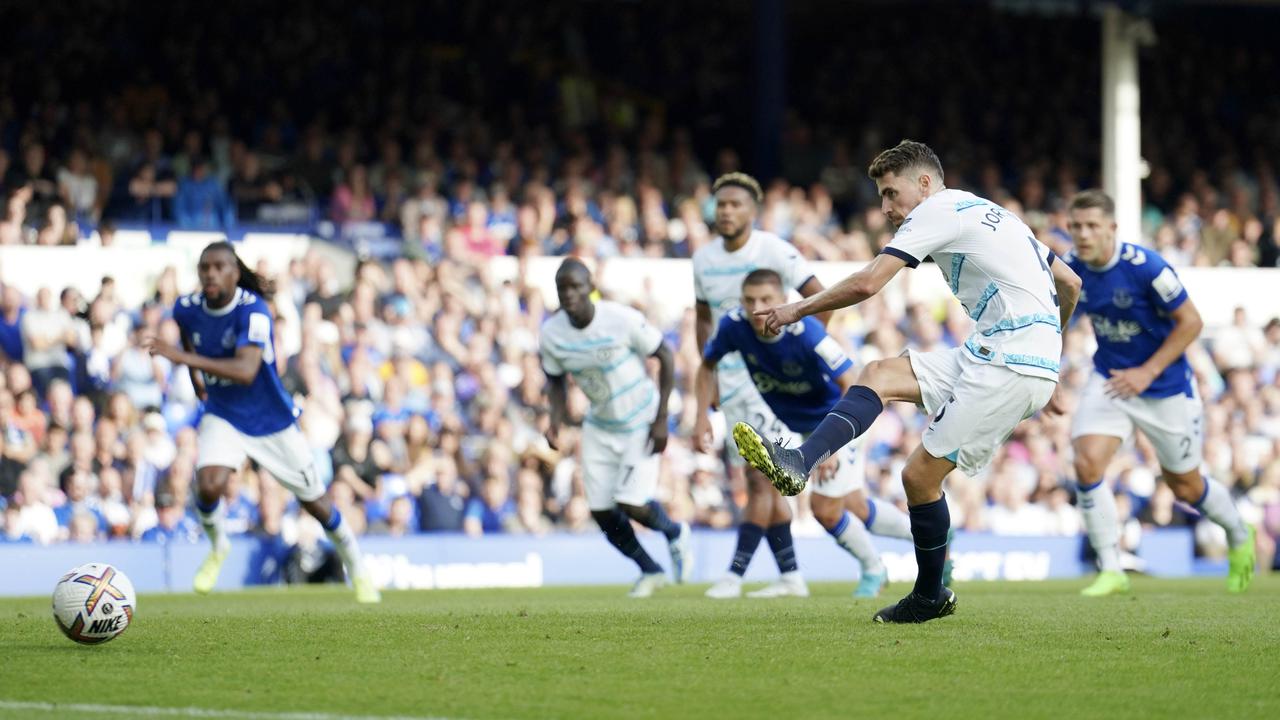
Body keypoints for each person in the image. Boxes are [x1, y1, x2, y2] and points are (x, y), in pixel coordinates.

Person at [734, 140, 1082, 623]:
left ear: (924, 183)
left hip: (1008, 359)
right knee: (879, 373)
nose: (885, 208)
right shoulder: (994, 214)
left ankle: (929, 594)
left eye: (890, 193)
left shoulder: (935, 210)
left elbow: (868, 283)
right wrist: (1051, 357)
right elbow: (1069, 283)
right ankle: (798, 461)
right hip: (1003, 353)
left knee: (918, 477)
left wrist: (796, 309)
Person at [145, 241, 379, 603]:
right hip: (223, 414)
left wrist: (176, 356)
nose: (210, 274)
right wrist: (196, 382)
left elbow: (246, 369)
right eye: (205, 268)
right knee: (208, 485)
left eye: (219, 267)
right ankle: (219, 546)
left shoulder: (253, 311)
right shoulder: (186, 308)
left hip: (271, 420)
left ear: (235, 273)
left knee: (316, 504)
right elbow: (193, 347)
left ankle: (357, 566)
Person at [1050, 189, 1254, 595]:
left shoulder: (1147, 268)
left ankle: (1237, 531)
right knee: (1087, 463)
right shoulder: (1072, 270)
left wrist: (1147, 371)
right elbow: (1060, 319)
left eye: (1092, 226)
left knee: (1185, 486)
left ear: (1112, 228)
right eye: (1076, 227)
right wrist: (1048, 371)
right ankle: (1111, 567)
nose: (1083, 234)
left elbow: (1191, 323)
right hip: (1110, 379)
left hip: (1164, 387)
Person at [695, 270, 914, 597]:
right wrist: (700, 415)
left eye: (766, 300)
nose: (757, 308)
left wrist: (832, 443)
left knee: (824, 509)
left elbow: (852, 382)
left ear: (782, 300)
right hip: (793, 425)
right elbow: (707, 364)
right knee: (855, 505)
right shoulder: (733, 326)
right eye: (750, 300)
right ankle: (928, 533)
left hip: (839, 420)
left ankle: (874, 568)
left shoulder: (807, 332)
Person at [693, 172, 829, 600]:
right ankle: (790, 575)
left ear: (752, 211)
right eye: (721, 205)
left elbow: (820, 297)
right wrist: (709, 374)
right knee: (759, 480)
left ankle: (735, 574)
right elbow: (702, 318)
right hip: (731, 383)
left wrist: (796, 355)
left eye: (736, 204)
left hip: (769, 383)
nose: (727, 211)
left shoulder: (773, 250)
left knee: (761, 480)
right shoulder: (702, 259)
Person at [539, 258, 691, 598]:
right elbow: (554, 380)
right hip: (600, 425)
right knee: (601, 511)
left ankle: (674, 531)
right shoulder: (551, 334)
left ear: (591, 287)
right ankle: (650, 570)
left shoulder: (620, 319)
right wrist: (555, 419)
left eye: (576, 286)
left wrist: (662, 417)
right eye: (562, 288)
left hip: (640, 420)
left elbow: (665, 355)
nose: (569, 294)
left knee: (631, 502)